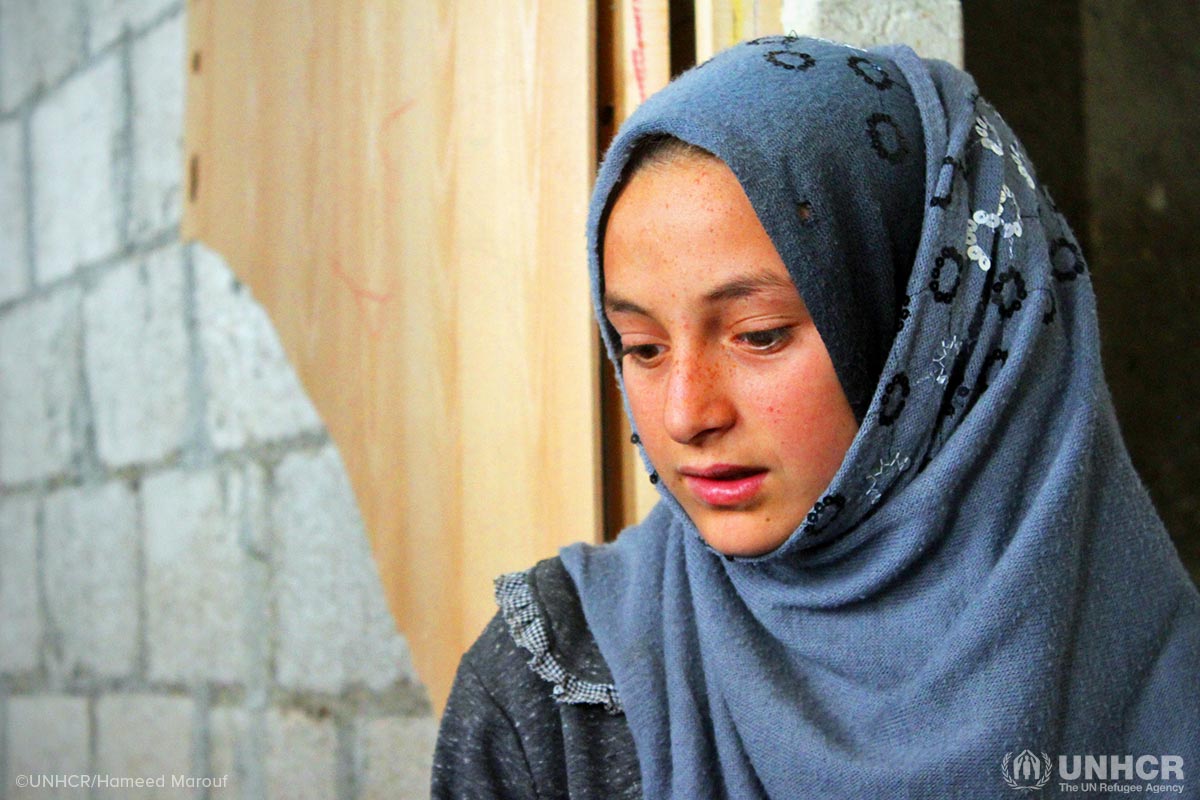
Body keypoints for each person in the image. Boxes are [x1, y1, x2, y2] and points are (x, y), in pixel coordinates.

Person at [432, 36, 1200, 799]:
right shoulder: (551, 695)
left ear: (929, 334)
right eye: (641, 346)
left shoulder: (1167, 688)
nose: (685, 414)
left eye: (760, 334)